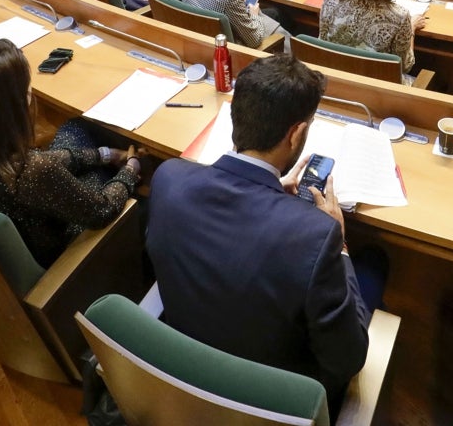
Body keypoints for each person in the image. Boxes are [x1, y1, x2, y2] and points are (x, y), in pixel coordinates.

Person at [146, 54, 372, 419]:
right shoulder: (318, 235)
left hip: (183, 365)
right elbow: (348, 360)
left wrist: (268, 194)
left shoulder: (169, 179)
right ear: (296, 133)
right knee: (375, 264)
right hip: (273, 398)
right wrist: (341, 244)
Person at [0, 39, 141, 267]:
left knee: (75, 128)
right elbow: (102, 209)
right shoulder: (31, 173)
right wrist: (130, 171)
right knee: (129, 190)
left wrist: (104, 155)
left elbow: (43, 163)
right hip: (59, 257)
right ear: (15, 105)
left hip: (22, 225)